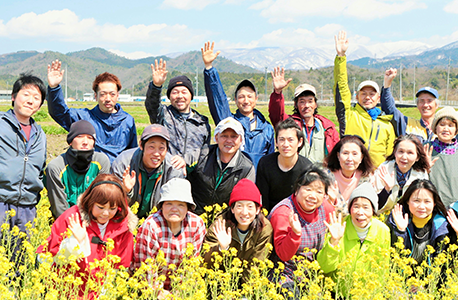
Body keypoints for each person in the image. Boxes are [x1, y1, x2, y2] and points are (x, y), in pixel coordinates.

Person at [38, 174, 138, 299]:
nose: (106, 213)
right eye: (100, 207)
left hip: (99, 293)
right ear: (90, 202)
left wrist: (104, 293)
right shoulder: (73, 218)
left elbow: (119, 268)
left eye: (112, 208)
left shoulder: (124, 226)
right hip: (65, 292)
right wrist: (75, 242)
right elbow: (45, 259)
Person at [47, 60, 137, 163]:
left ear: (117, 95)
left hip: (118, 175)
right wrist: (54, 88)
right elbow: (60, 113)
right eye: (103, 94)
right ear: (95, 96)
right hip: (90, 174)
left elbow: (132, 153)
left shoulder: (127, 121)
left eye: (112, 94)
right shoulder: (85, 117)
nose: (108, 98)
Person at [202, 41, 275, 168]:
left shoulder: (267, 129)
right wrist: (209, 68)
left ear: (256, 99)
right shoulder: (229, 122)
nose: (246, 100)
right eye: (241, 97)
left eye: (249, 96)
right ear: (235, 100)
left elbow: (271, 162)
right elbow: (218, 99)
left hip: (258, 184)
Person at [0, 73, 47, 268]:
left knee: (21, 263)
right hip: (1, 202)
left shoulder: (40, 134)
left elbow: (40, 168)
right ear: (13, 97)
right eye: (26, 94)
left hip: (27, 208)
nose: (31, 101)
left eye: (37, 98)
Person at [268, 165, 334, 298]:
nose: (312, 196)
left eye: (319, 192)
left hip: (310, 274)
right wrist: (295, 234)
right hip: (283, 273)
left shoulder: (326, 209)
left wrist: (335, 240)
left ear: (325, 195)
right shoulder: (283, 213)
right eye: (308, 189)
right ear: (297, 190)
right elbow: (283, 255)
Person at [317, 183, 390, 298]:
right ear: (350, 209)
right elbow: (324, 267)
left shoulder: (383, 230)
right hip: (337, 293)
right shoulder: (339, 226)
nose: (360, 212)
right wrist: (334, 241)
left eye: (366, 207)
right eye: (356, 206)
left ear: (373, 210)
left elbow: (382, 270)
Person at [132, 178, 206, 292]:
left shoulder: (197, 224)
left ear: (188, 208)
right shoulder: (151, 225)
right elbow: (146, 268)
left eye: (180, 205)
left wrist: (179, 293)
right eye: (169, 204)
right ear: (161, 206)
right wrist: (160, 294)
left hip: (182, 289)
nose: (174, 209)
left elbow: (191, 266)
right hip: (150, 289)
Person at [334, 31, 395, 167]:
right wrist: (341, 57)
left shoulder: (386, 124)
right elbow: (342, 87)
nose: (367, 97)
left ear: (378, 98)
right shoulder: (349, 115)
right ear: (357, 96)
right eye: (363, 93)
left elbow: (390, 157)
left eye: (372, 94)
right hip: (352, 173)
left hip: (378, 178)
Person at [204, 179, 273, 286]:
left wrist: (244, 294)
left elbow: (256, 265)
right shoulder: (220, 225)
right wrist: (221, 248)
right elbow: (206, 263)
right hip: (219, 283)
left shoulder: (264, 228)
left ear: (258, 209)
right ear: (232, 208)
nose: (244, 212)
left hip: (248, 286)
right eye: (239, 206)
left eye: (250, 206)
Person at [145, 59, 211, 166]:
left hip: (195, 175)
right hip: (167, 172)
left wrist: (187, 161)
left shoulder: (202, 122)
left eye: (184, 92)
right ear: (170, 97)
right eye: (175, 92)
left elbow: (204, 153)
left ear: (191, 96)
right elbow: (152, 104)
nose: (180, 96)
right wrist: (156, 86)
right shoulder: (163, 114)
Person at [111, 124, 184, 219]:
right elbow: (112, 203)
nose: (156, 153)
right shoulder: (123, 163)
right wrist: (126, 191)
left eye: (161, 148)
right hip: (126, 217)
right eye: (151, 147)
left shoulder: (174, 168)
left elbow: (176, 206)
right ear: (141, 145)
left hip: (159, 220)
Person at [269, 66, 339, 162]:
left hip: (319, 175)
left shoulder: (327, 128)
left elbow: (336, 153)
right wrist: (277, 93)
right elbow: (276, 114)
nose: (306, 105)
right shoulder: (289, 123)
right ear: (296, 105)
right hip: (295, 174)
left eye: (310, 101)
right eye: (302, 101)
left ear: (315, 104)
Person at [187, 117, 255, 215]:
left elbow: (246, 200)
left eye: (234, 136)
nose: (229, 140)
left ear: (241, 140)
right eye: (224, 136)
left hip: (225, 220)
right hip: (194, 216)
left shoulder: (246, 168)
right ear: (216, 137)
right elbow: (183, 167)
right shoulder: (201, 155)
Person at [44, 120, 110, 219]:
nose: (85, 142)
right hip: (64, 221)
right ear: (70, 141)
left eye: (90, 138)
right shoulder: (56, 167)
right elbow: (59, 207)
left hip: (93, 219)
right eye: (79, 137)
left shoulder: (101, 161)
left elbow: (102, 199)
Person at [387, 179, 449, 265]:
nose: (421, 206)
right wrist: (400, 231)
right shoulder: (396, 218)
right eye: (416, 201)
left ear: (434, 203)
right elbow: (393, 255)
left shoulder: (442, 225)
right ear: (407, 201)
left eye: (427, 201)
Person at [256, 118, 313, 212]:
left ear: (300, 142)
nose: (286, 144)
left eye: (291, 140)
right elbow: (262, 199)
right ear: (276, 142)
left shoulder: (307, 168)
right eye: (281, 140)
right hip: (270, 215)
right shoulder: (265, 164)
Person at [373, 134, 429, 214]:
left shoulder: (421, 174)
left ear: (417, 157)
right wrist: (387, 190)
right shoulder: (384, 169)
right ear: (395, 152)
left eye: (410, 153)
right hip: (381, 216)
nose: (404, 157)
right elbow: (374, 205)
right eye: (401, 151)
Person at [381, 67, 439, 143]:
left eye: (429, 101)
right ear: (417, 105)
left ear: (437, 105)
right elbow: (389, 108)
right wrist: (387, 83)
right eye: (422, 101)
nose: (425, 105)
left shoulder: (444, 128)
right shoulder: (407, 123)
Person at [428, 106, 458, 208]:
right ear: (435, 128)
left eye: (450, 125)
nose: (446, 128)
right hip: (432, 206)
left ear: (456, 130)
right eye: (442, 124)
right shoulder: (426, 148)